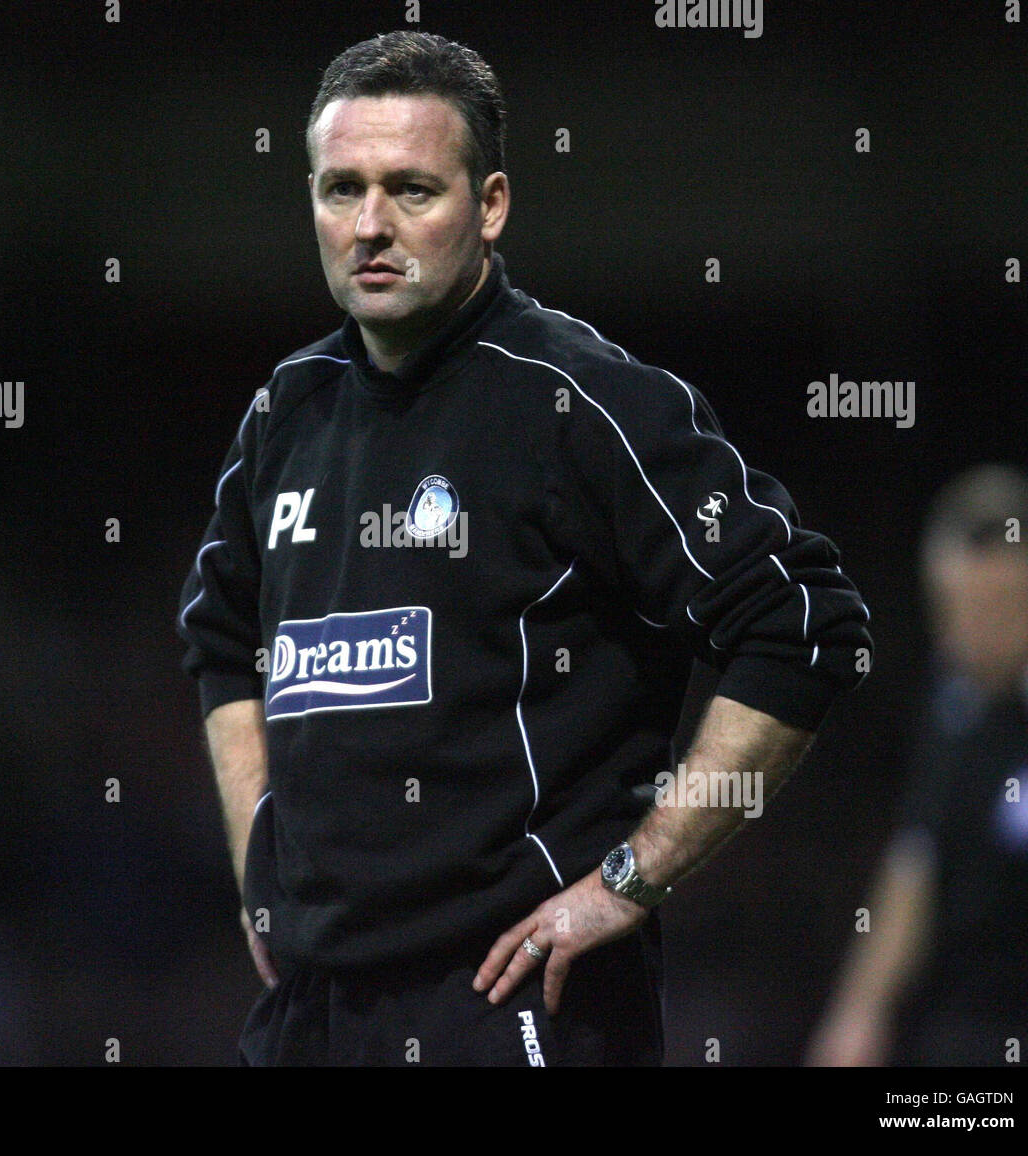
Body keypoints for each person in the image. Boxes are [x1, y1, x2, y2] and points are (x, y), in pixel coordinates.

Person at [177, 30, 873, 1066]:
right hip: (315, 1009)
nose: (369, 226)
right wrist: (257, 872)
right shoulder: (286, 411)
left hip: (512, 996)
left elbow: (803, 622)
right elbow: (222, 636)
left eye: (411, 190)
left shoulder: (580, 403)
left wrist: (629, 880)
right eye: (340, 189)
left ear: (490, 204)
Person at [807, 464, 1028, 1067]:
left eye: (991, 612)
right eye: (951, 611)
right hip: (970, 1021)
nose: (962, 639)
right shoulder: (956, 706)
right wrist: (859, 1010)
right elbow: (916, 861)